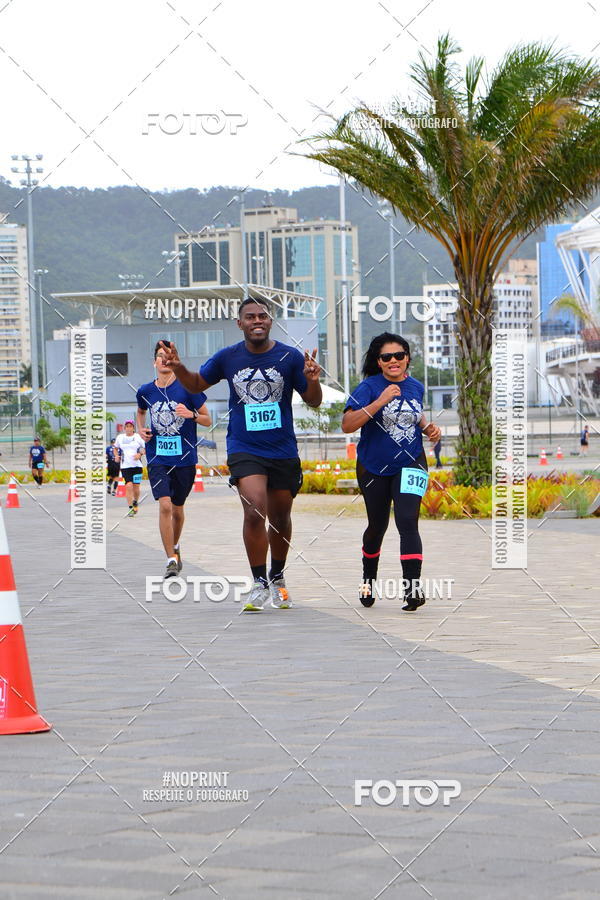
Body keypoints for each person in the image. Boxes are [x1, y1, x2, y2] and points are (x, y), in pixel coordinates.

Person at [157, 298, 322, 611]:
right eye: (250, 317)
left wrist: (313, 380)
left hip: (282, 448)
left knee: (281, 516)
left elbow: (313, 401)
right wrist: (178, 367)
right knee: (254, 508)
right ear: (240, 323)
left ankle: (278, 576)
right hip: (244, 447)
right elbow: (195, 384)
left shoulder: (288, 356)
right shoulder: (228, 357)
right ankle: (259, 581)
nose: (256, 321)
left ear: (270, 321)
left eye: (262, 316)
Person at [342, 333, 441, 612]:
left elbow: (413, 414)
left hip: (412, 462)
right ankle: (367, 580)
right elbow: (347, 424)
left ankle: (412, 589)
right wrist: (379, 401)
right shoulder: (368, 387)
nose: (394, 361)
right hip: (373, 466)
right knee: (377, 526)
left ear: (407, 358)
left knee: (408, 521)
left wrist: (428, 428)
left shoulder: (416, 386)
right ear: (379, 361)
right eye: (387, 357)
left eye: (399, 355)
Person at [137, 341, 211, 579]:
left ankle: (175, 546)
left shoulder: (188, 388)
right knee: (165, 505)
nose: (163, 360)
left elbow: (208, 420)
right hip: (157, 455)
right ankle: (170, 559)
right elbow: (141, 411)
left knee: (178, 509)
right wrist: (141, 429)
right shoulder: (145, 391)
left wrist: (191, 415)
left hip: (185, 458)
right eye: (159, 356)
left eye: (167, 356)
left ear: (173, 360)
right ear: (154, 362)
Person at [115, 422, 146, 517]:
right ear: (125, 428)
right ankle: (130, 508)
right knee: (128, 486)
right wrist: (116, 456)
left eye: (130, 427)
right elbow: (115, 448)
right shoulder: (120, 438)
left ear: (133, 428)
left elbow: (145, 448)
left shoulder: (138, 437)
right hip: (125, 466)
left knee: (136, 487)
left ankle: (135, 502)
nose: (128, 428)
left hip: (137, 466)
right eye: (127, 427)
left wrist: (139, 454)